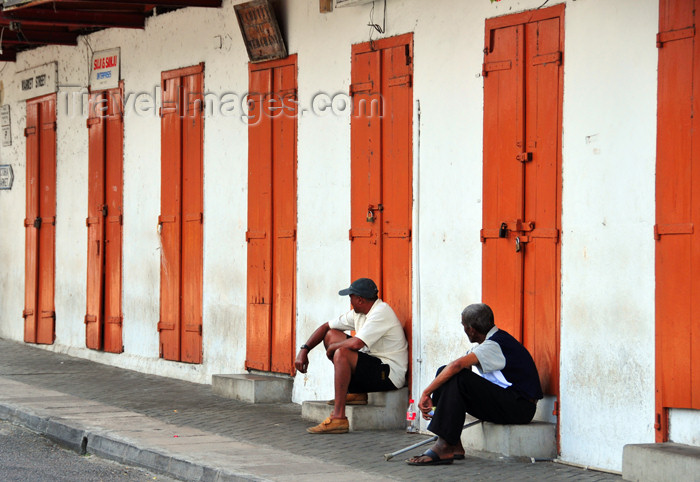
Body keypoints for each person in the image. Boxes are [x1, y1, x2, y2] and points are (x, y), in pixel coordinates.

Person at [407, 303, 543, 465]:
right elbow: (459, 369)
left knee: (457, 375)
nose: (464, 330)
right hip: (508, 402)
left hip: (520, 408)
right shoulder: (490, 343)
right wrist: (443, 407)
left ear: (471, 329)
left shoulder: (495, 344)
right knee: (445, 372)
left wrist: (425, 393)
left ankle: (444, 446)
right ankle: (453, 443)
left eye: (464, 327)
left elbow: (457, 367)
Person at [295, 278, 408, 434]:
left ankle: (338, 418)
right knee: (331, 335)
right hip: (373, 364)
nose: (350, 302)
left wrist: (333, 348)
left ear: (360, 299)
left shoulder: (381, 312)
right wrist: (304, 350)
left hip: (389, 374)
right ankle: (357, 393)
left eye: (351, 298)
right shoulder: (359, 313)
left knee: (342, 352)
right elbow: (326, 326)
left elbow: (356, 344)